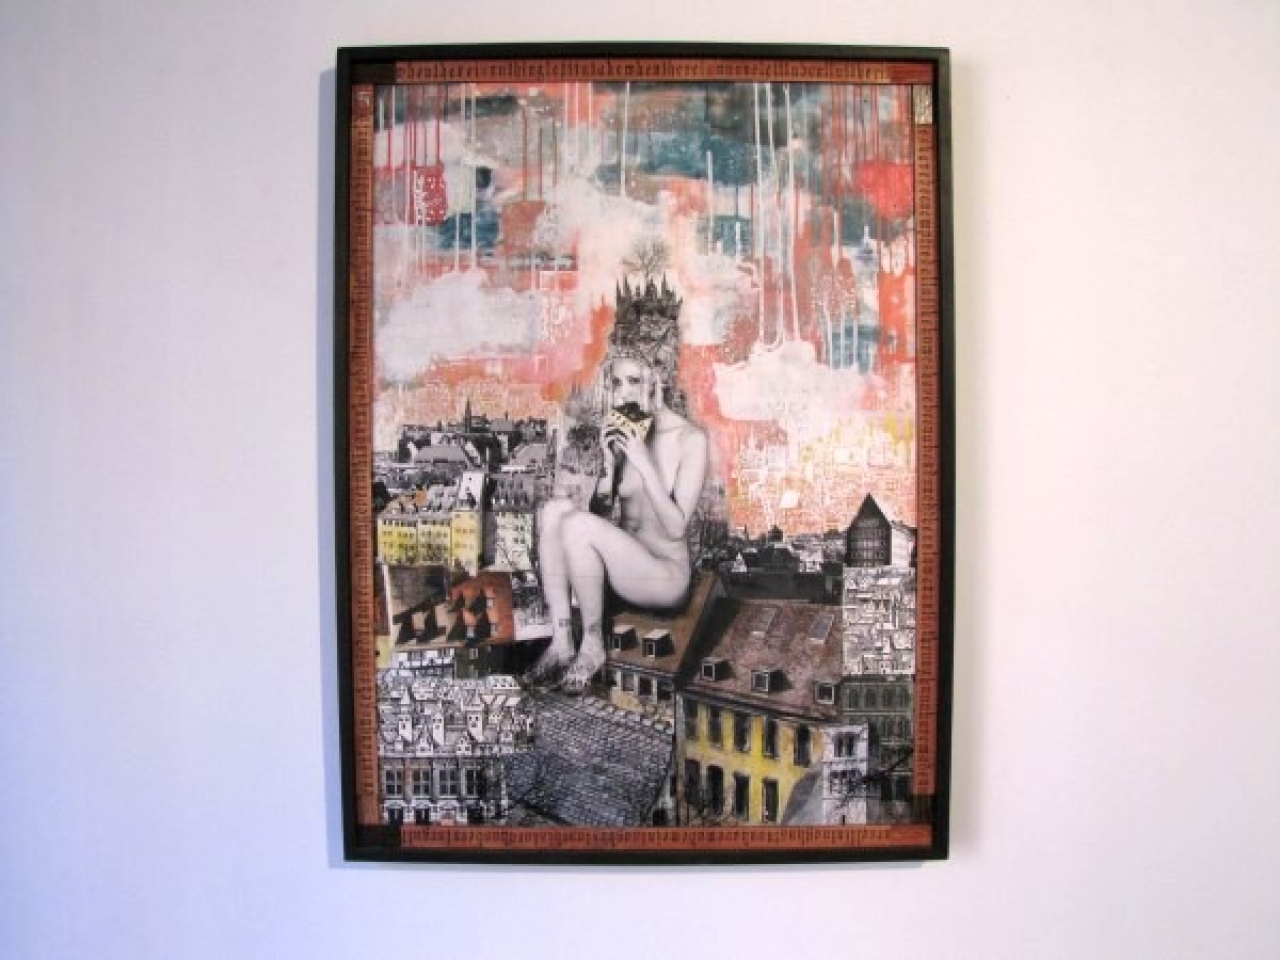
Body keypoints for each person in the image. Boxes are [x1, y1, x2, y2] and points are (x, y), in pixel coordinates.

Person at [527, 277, 708, 693]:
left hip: (664, 576)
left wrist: (643, 463)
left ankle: (592, 645)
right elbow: (602, 521)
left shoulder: (690, 439)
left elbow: (676, 527)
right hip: (623, 568)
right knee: (554, 511)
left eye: (633, 382)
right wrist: (608, 469)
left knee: (574, 523)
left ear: (656, 381)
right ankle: (561, 642)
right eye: (617, 383)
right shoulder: (627, 433)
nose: (623, 393)